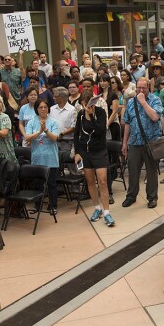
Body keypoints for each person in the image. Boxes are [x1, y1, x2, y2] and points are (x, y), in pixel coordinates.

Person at [74, 84, 115, 227]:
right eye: (85, 104)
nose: (87, 107)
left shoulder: (100, 113)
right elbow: (76, 135)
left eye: (90, 104)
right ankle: (97, 208)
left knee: (102, 182)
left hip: (99, 151)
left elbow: (100, 132)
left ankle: (107, 212)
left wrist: (91, 116)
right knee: (90, 181)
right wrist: (77, 152)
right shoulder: (80, 115)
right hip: (85, 152)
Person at [122, 78, 163, 209]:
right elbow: (127, 123)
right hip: (134, 142)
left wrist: (143, 102)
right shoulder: (130, 103)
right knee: (133, 171)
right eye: (138, 88)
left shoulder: (155, 100)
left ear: (148, 88)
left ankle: (152, 197)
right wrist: (124, 143)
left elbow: (155, 117)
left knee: (151, 171)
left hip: (151, 141)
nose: (140, 90)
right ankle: (131, 196)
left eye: (143, 88)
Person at [24, 98, 61, 213]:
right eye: (41, 107)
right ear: (36, 109)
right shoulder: (31, 122)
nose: (43, 109)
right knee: (38, 184)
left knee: (52, 184)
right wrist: (40, 131)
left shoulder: (54, 122)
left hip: (51, 157)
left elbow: (54, 138)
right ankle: (37, 205)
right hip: (37, 157)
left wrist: (45, 130)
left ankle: (53, 205)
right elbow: (27, 137)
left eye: (45, 107)